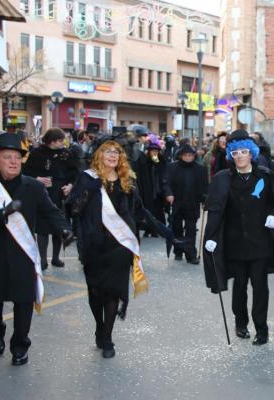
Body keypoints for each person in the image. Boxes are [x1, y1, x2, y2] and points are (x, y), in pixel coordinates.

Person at [0, 133, 72, 365]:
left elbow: (50, 211)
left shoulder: (33, 186)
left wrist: (64, 229)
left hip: (23, 255)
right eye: (7, 157)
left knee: (24, 302)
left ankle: (20, 345)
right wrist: (1, 214)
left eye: (17, 157)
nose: (14, 161)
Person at [202, 129, 274, 346]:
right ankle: (240, 323)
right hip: (234, 243)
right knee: (239, 286)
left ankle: (262, 329)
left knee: (260, 287)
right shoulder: (222, 179)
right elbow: (215, 210)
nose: (240, 156)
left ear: (251, 153)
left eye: (244, 151)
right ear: (231, 156)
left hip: (259, 243)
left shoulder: (264, 176)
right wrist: (211, 237)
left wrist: (272, 216)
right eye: (235, 153)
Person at [67, 140, 148, 359]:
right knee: (95, 292)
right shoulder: (88, 178)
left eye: (117, 152)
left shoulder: (127, 180)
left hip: (119, 246)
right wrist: (82, 196)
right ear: (99, 155)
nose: (113, 155)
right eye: (108, 151)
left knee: (113, 291)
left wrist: (160, 229)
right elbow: (74, 207)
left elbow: (138, 210)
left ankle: (108, 336)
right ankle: (99, 326)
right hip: (93, 244)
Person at [23, 128, 78, 269]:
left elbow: (74, 172)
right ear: (51, 141)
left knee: (58, 227)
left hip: (60, 193)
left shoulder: (66, 153)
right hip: (42, 193)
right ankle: (42, 259)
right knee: (42, 229)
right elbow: (26, 171)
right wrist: (37, 179)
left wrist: (70, 185)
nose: (62, 143)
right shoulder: (37, 153)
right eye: (60, 140)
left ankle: (56, 257)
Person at [167, 145, 208, 264]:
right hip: (177, 203)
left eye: (190, 155)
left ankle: (191, 255)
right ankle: (178, 251)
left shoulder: (200, 169)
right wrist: (168, 194)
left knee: (191, 229)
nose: (188, 158)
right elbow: (166, 183)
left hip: (192, 204)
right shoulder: (172, 167)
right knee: (177, 228)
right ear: (181, 156)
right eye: (186, 155)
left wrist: (205, 200)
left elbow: (205, 187)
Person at [134, 139, 172, 235]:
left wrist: (157, 163)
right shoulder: (144, 161)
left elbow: (164, 174)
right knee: (149, 210)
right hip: (148, 190)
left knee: (159, 210)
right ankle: (149, 229)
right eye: (153, 151)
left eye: (156, 151)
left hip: (158, 190)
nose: (154, 153)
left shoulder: (161, 161)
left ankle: (158, 229)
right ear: (149, 152)